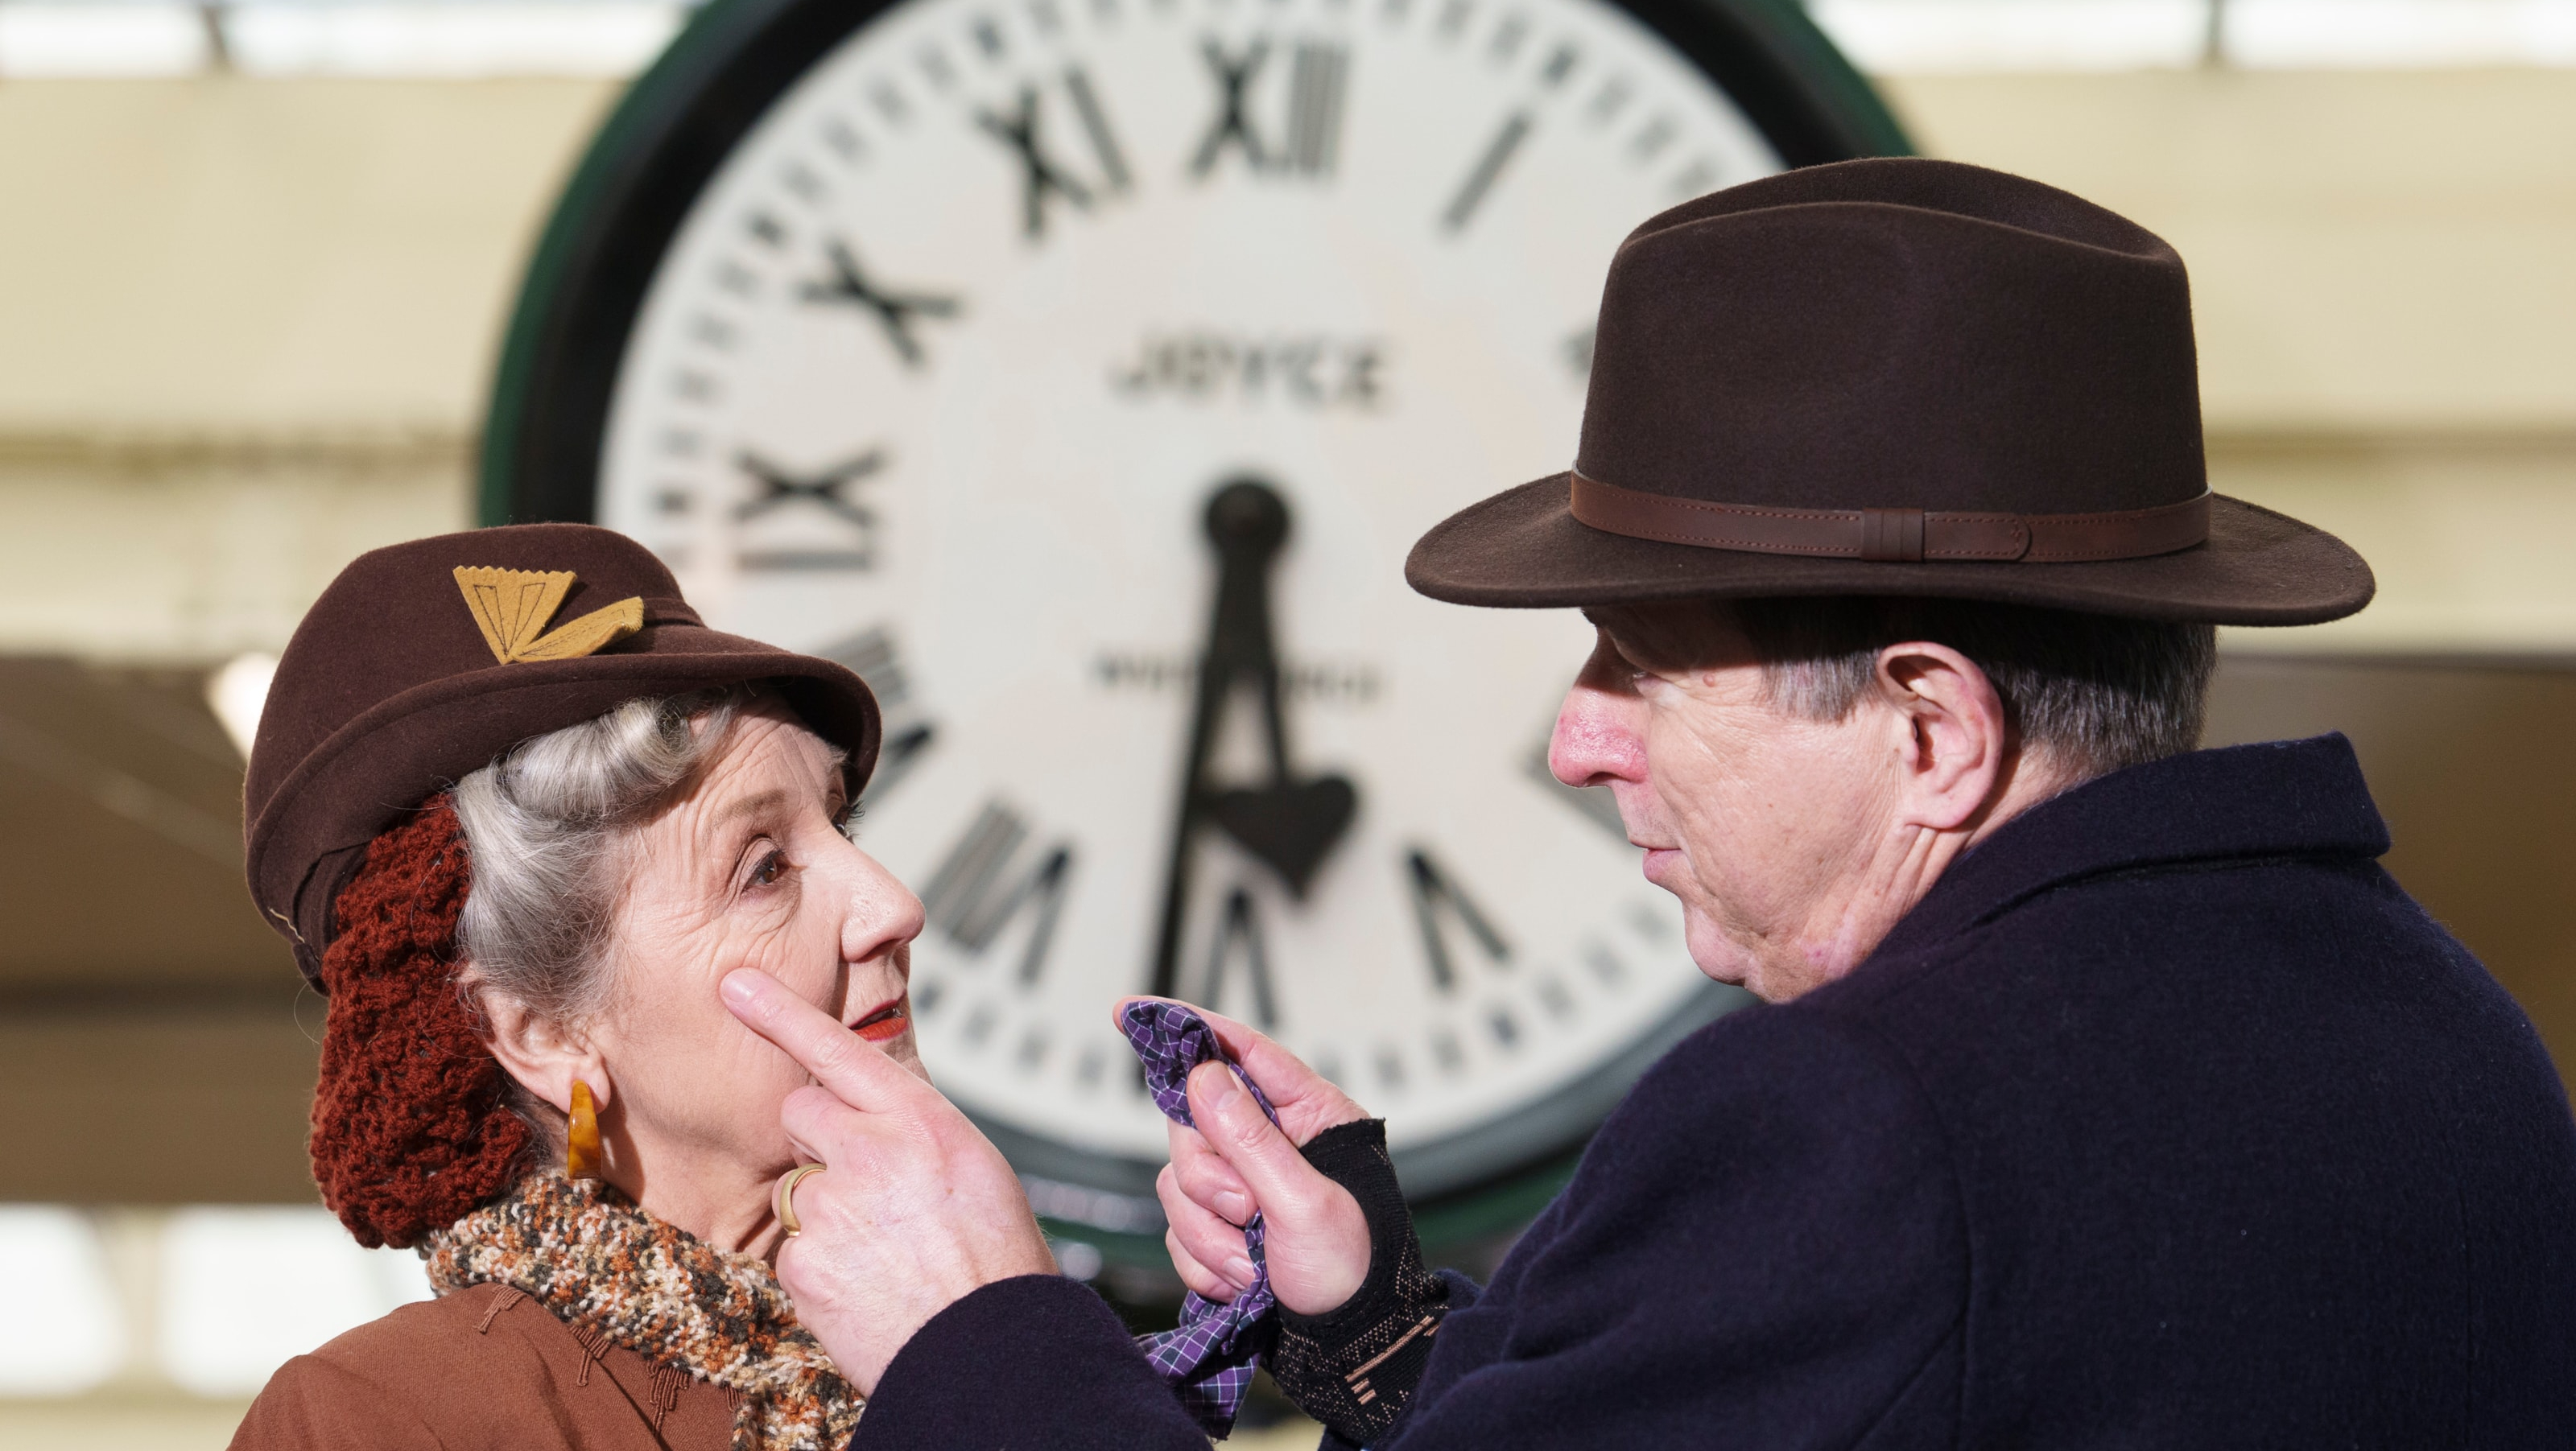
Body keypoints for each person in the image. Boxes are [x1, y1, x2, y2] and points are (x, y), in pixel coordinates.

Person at [721, 159, 2576, 1446]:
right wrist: (1374, 1317)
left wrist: (976, 1332)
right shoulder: (2455, 1044)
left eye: (1643, 663)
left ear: (1932, 728)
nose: (1578, 740)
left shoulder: (1859, 1119)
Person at [228, 524, 1054, 1450]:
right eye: (764, 869)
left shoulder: (1019, 1334)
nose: (893, 907)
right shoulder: (394, 1420)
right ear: (543, 1031)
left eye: (842, 826)